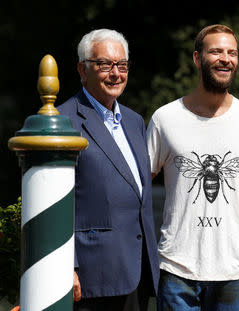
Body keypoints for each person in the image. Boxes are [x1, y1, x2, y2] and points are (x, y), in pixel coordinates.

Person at [146, 24, 239, 311]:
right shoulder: (165, 118)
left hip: (234, 268)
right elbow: (138, 188)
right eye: (216, 51)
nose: (226, 58)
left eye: (232, 52)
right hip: (177, 267)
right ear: (197, 59)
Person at [57, 28, 159, 311]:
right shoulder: (64, 123)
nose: (115, 73)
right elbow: (56, 204)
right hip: (92, 278)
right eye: (104, 64)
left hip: (137, 274)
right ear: (82, 69)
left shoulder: (135, 121)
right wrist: (67, 266)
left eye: (122, 65)